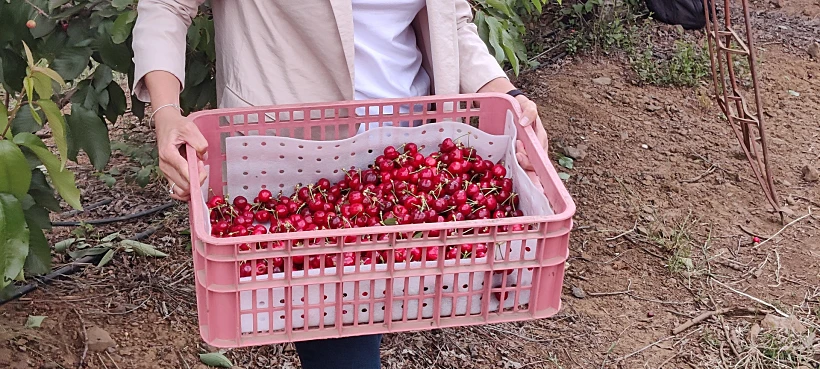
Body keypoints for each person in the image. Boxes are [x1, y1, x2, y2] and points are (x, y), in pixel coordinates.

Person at [132, 1, 548, 368]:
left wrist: (507, 94)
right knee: (340, 331)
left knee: (385, 300)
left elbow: (451, 22)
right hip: (297, 160)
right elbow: (167, 6)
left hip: (414, 158)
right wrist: (167, 111)